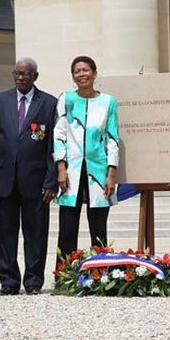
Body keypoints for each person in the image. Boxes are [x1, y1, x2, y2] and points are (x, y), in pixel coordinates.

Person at [0, 57, 57, 295]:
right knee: (6, 234)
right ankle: (8, 281)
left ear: (35, 77)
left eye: (25, 74)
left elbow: (52, 147)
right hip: (5, 181)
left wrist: (51, 180)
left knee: (36, 233)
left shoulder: (48, 103)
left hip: (36, 182)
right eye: (16, 73)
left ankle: (34, 281)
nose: (20, 78)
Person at [54, 56, 119, 265]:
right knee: (67, 226)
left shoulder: (108, 101)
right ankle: (63, 273)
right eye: (76, 71)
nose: (81, 74)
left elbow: (112, 137)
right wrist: (61, 168)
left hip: (98, 170)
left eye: (85, 70)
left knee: (99, 226)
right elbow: (59, 135)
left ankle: (100, 272)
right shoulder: (66, 99)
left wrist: (111, 174)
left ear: (94, 73)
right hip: (71, 169)